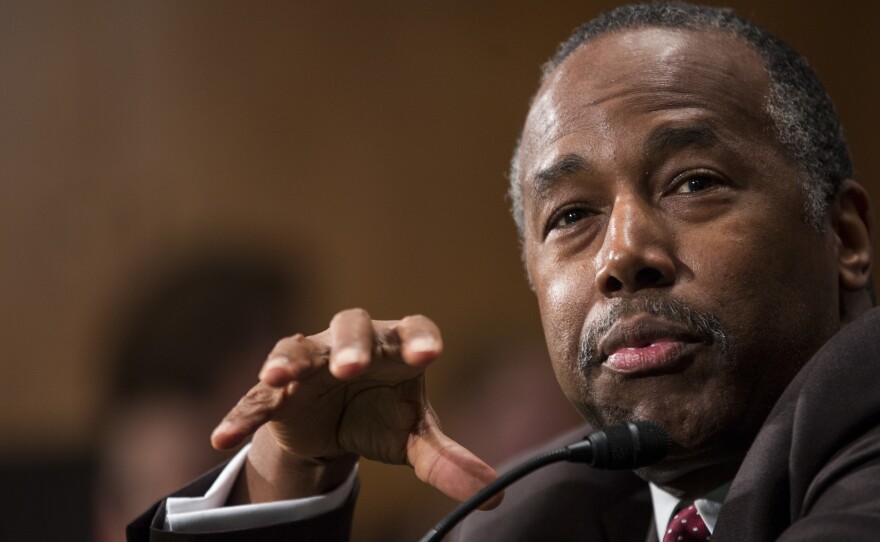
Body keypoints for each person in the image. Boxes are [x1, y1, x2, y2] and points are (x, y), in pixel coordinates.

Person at [128, 3, 880, 541]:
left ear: (845, 236)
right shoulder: (533, 516)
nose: (622, 255)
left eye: (694, 182)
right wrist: (291, 472)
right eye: (571, 216)